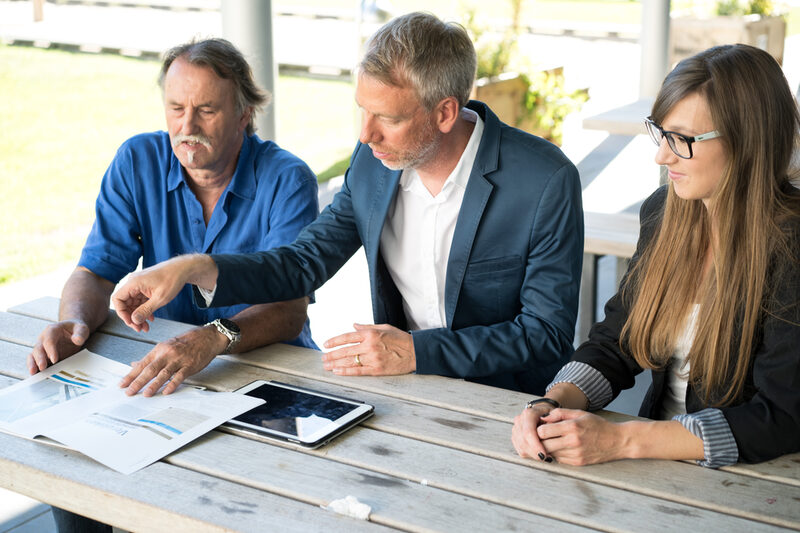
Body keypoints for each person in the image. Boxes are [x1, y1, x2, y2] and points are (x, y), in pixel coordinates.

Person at [112, 12, 584, 395]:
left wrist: (418, 352)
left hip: (508, 403)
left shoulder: (545, 181)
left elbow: (545, 334)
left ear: (444, 112)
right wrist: (195, 267)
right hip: (403, 389)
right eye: (362, 109)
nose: (365, 134)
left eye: (386, 117)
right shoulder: (374, 162)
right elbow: (302, 263)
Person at [512, 44, 800, 467]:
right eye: (662, 133)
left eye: (682, 140)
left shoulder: (790, 242)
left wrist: (623, 440)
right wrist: (550, 403)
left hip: (751, 477)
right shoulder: (666, 212)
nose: (661, 155)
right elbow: (617, 341)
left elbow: (782, 417)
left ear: (748, 142)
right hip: (653, 464)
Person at [27, 37, 319, 400]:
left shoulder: (288, 179)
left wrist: (212, 338)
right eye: (176, 108)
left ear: (244, 114)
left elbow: (290, 309)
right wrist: (74, 322)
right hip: (170, 376)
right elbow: (95, 273)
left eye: (207, 110)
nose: (187, 125)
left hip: (274, 372)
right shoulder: (138, 160)